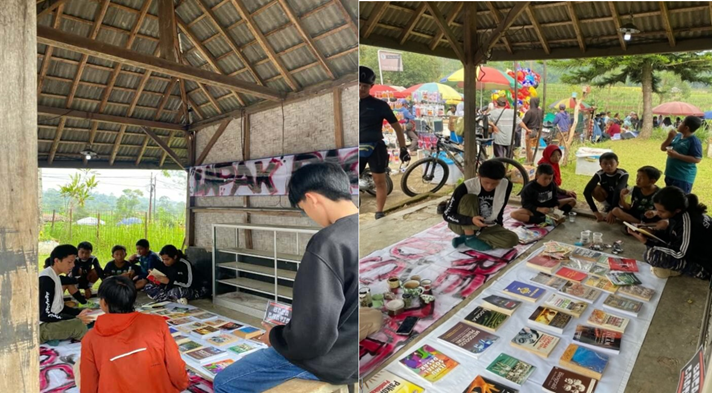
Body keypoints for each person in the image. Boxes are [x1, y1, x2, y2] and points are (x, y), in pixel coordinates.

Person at [214, 162, 358, 392]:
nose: (309, 215)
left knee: (224, 383)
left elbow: (313, 338)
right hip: (353, 351)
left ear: (312, 199)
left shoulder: (328, 242)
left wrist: (277, 337)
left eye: (303, 208)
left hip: (330, 361)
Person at [80, 275, 190, 392]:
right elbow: (175, 367)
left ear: (103, 303)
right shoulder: (156, 323)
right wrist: (182, 385)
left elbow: (89, 384)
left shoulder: (90, 339)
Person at [627, 187, 712, 279]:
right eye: (657, 209)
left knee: (651, 256)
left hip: (705, 265)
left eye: (661, 211)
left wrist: (647, 242)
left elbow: (680, 252)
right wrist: (653, 233)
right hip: (692, 250)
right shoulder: (681, 213)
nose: (657, 213)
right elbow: (674, 236)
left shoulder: (687, 222)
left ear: (677, 210)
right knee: (654, 250)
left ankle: (697, 272)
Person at [359, 66, 409, 220]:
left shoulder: (380, 105)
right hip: (355, 149)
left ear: (371, 87)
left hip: (375, 147)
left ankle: (379, 212)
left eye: (365, 86)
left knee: (380, 181)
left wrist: (403, 149)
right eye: (358, 84)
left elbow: (397, 128)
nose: (361, 88)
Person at [441, 160, 519, 251]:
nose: (489, 186)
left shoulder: (506, 185)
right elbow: (447, 215)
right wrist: (471, 220)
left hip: (486, 225)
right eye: (486, 182)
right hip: (462, 225)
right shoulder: (466, 187)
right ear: (479, 176)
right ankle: (469, 236)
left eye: (494, 183)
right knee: (469, 198)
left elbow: (500, 208)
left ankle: (466, 238)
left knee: (513, 239)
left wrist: (500, 227)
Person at [40, 245, 92, 343]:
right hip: (41, 326)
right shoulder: (46, 279)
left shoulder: (55, 276)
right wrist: (75, 318)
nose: (73, 265)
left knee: (87, 320)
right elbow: (44, 315)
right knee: (78, 325)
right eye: (69, 262)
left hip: (50, 319)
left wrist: (78, 312)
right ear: (57, 261)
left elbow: (59, 307)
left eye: (73, 262)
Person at [510, 164, 576, 225]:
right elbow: (525, 204)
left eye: (550, 178)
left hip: (550, 209)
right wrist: (539, 209)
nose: (547, 181)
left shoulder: (552, 184)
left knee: (572, 200)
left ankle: (554, 216)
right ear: (537, 176)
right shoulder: (529, 187)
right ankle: (543, 219)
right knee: (514, 214)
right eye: (545, 178)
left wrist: (555, 206)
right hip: (534, 210)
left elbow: (555, 198)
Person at [661, 115, 703, 194]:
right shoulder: (678, 136)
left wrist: (677, 155)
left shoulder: (694, 141)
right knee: (668, 201)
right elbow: (663, 148)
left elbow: (697, 159)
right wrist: (669, 137)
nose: (679, 123)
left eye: (682, 122)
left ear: (686, 128)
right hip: (670, 174)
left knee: (679, 202)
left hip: (682, 177)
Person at [583, 152, 629, 223]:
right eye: (605, 163)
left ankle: (618, 209)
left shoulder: (623, 174)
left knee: (624, 192)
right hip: (608, 197)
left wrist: (612, 211)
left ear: (617, 163)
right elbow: (586, 191)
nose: (608, 166)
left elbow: (618, 190)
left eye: (611, 163)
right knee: (595, 189)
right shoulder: (600, 174)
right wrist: (595, 211)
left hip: (621, 199)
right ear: (600, 165)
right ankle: (607, 206)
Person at [522, 97, 543, 164]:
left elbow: (523, 122)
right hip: (538, 131)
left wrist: (527, 129)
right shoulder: (541, 111)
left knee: (529, 148)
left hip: (530, 131)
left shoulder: (529, 112)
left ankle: (530, 161)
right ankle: (536, 160)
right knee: (535, 147)